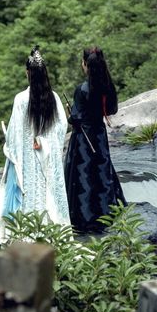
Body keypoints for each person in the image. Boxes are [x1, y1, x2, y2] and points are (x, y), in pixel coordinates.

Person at [0, 46, 71, 243]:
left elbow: (14, 134)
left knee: (29, 191)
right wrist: (45, 142)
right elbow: (62, 127)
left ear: (28, 72)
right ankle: (49, 229)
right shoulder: (53, 98)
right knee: (46, 192)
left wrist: (13, 147)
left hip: (28, 157)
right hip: (46, 157)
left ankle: (27, 230)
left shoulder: (21, 99)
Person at [65, 47, 127, 233]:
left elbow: (75, 118)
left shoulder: (81, 90)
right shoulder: (107, 87)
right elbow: (112, 110)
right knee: (101, 170)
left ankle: (83, 218)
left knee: (82, 175)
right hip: (99, 135)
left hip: (82, 139)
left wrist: (71, 115)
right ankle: (106, 212)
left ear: (85, 65)